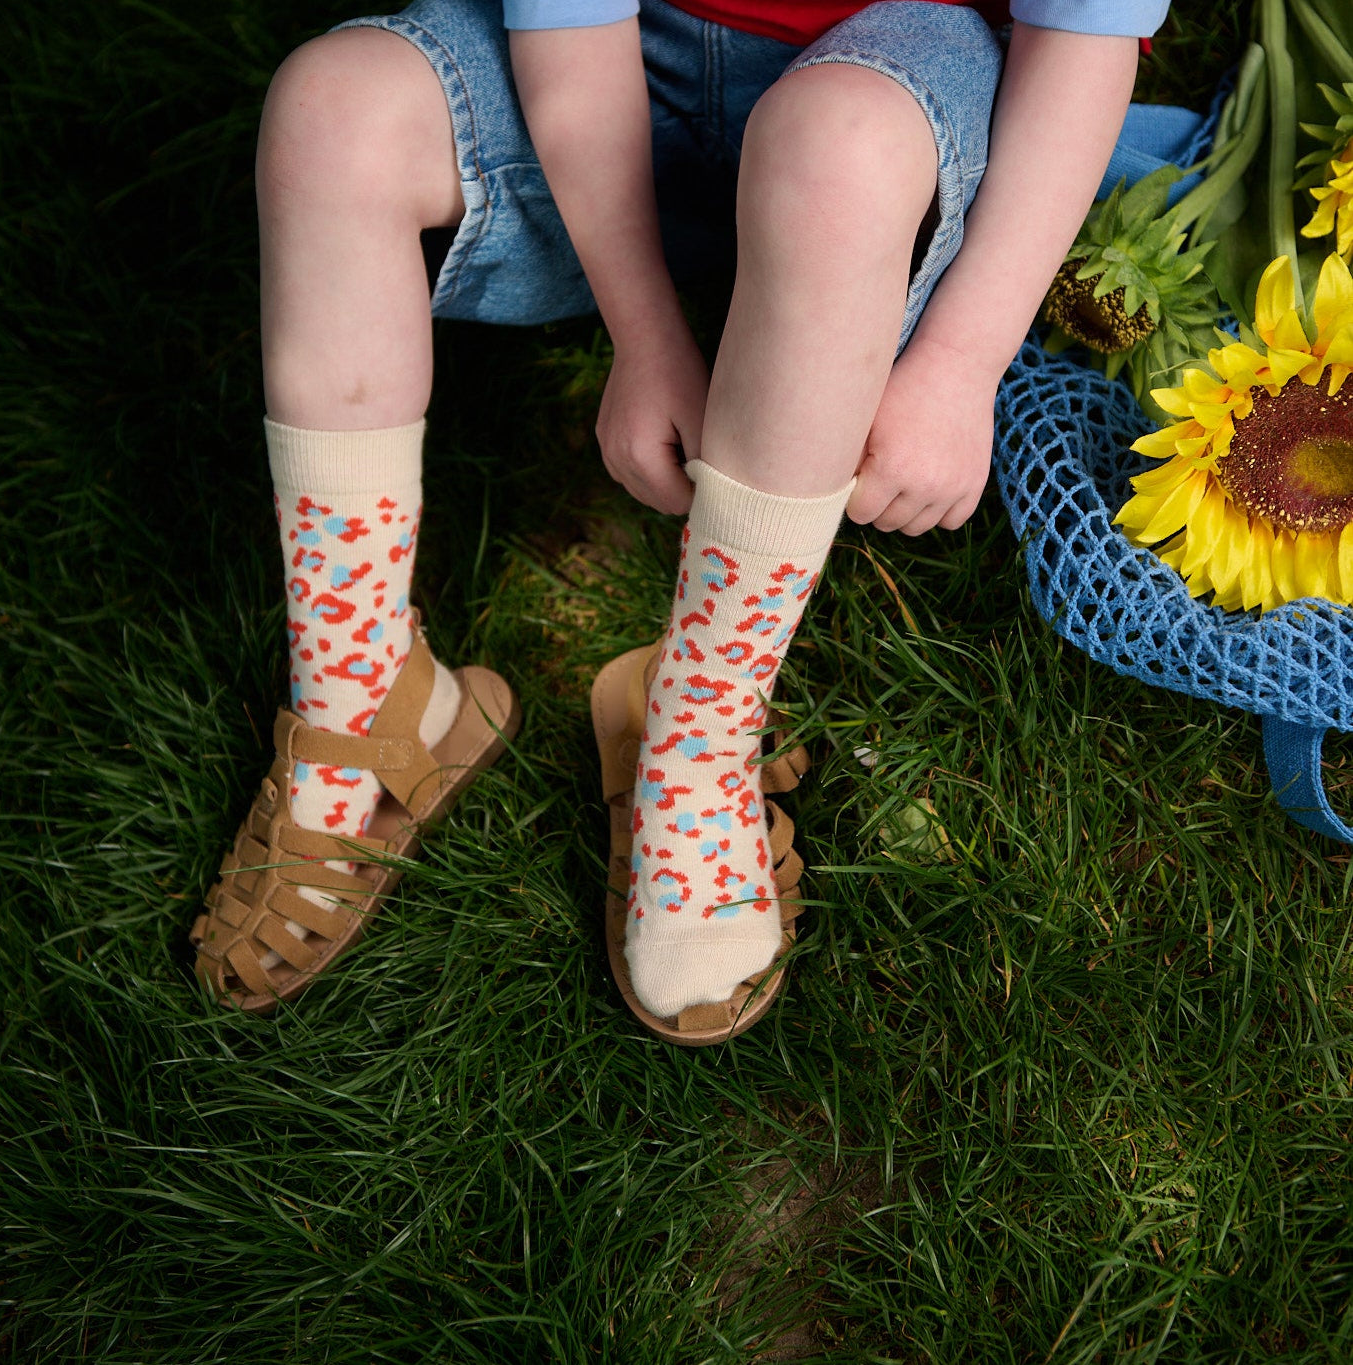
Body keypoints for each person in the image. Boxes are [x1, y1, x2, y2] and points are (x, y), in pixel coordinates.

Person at [189, 0, 1168, 1033]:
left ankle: (699, 727)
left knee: (838, 159)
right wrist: (644, 331)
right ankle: (365, 691)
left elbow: (1083, 39)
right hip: (612, 68)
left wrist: (964, 360)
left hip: (893, 88)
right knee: (332, 114)